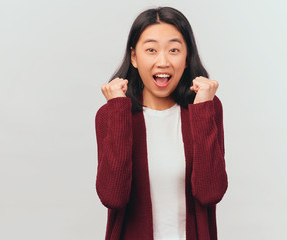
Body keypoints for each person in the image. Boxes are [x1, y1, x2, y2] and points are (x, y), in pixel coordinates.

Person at [95, 6, 228, 240]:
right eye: (151, 50)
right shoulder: (112, 116)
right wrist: (118, 111)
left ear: (187, 58)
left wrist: (203, 109)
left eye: (174, 50)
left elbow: (211, 193)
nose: (163, 61)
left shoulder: (206, 109)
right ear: (134, 57)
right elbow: (112, 198)